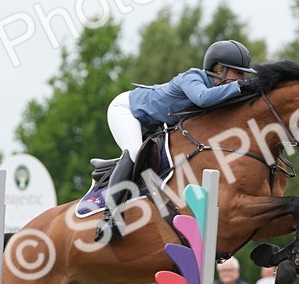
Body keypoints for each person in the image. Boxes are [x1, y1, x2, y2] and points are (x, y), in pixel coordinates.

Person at [96, 40, 259, 241]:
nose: (241, 78)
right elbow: (202, 98)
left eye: (243, 75)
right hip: (126, 110)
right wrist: (241, 86)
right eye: (238, 73)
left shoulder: (221, 90)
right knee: (135, 151)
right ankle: (109, 216)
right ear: (219, 70)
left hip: (154, 122)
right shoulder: (192, 78)